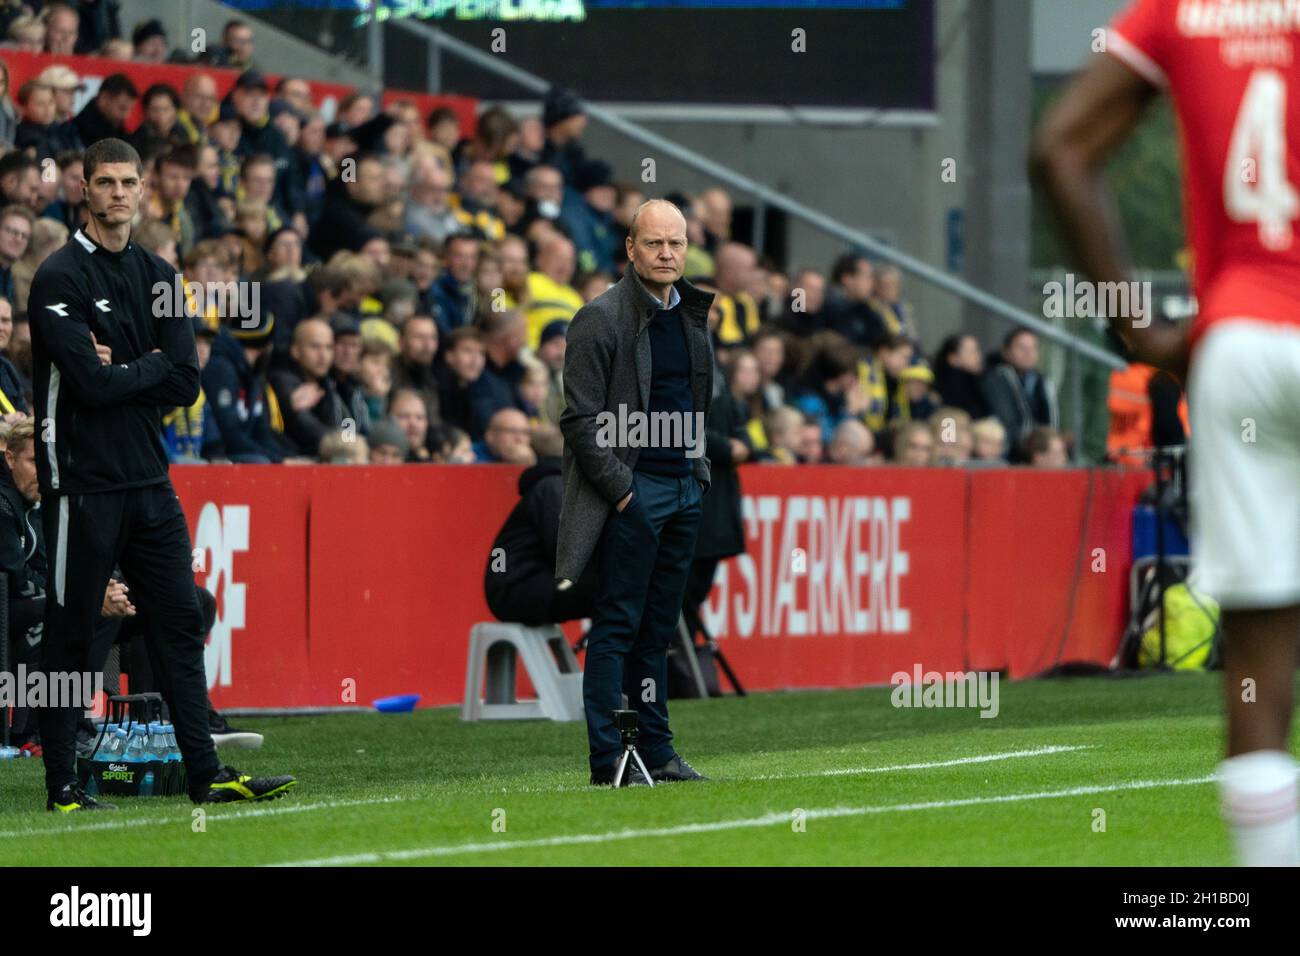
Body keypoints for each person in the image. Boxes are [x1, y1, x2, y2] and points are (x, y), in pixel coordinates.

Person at [1032, 0, 1300, 865]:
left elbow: (1058, 150)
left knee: (1260, 661)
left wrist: (1140, 330)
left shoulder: (1180, 10)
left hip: (1243, 345)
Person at [27, 138, 295, 811]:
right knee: (71, 632)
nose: (119, 194)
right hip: (80, 484)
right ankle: (61, 783)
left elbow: (185, 381)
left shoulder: (163, 279)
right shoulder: (59, 277)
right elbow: (87, 383)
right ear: (84, 189)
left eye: (129, 183)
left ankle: (206, 775)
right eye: (106, 182)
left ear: (144, 190)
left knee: (178, 621)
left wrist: (129, 367)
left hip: (149, 481)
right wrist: (140, 368)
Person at [557, 198, 713, 786]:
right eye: (654, 243)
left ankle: (657, 752)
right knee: (618, 626)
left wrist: (695, 471)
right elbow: (578, 420)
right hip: (635, 491)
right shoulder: (598, 318)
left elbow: (696, 401)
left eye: (676, 243)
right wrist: (624, 491)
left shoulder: (693, 314)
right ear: (630, 249)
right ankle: (607, 760)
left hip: (682, 487)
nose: (667, 253)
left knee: (660, 628)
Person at [484, 427, 596, 626]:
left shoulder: (558, 485)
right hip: (516, 589)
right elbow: (565, 550)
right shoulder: (553, 487)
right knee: (613, 589)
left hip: (523, 583)